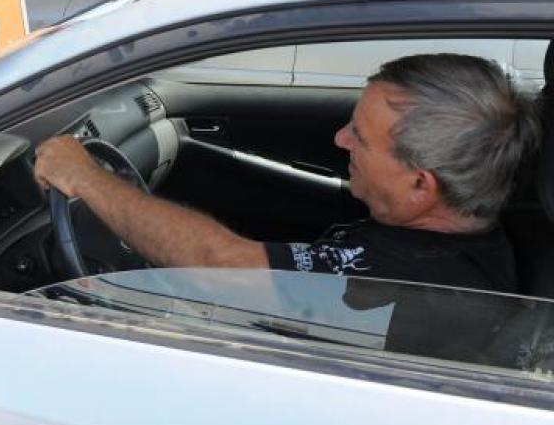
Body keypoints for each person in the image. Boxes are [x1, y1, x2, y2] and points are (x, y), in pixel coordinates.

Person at [34, 53, 539, 293]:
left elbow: (221, 265)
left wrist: (84, 176)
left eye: (359, 136)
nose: (340, 140)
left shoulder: (412, 279)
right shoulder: (453, 242)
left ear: (419, 185)